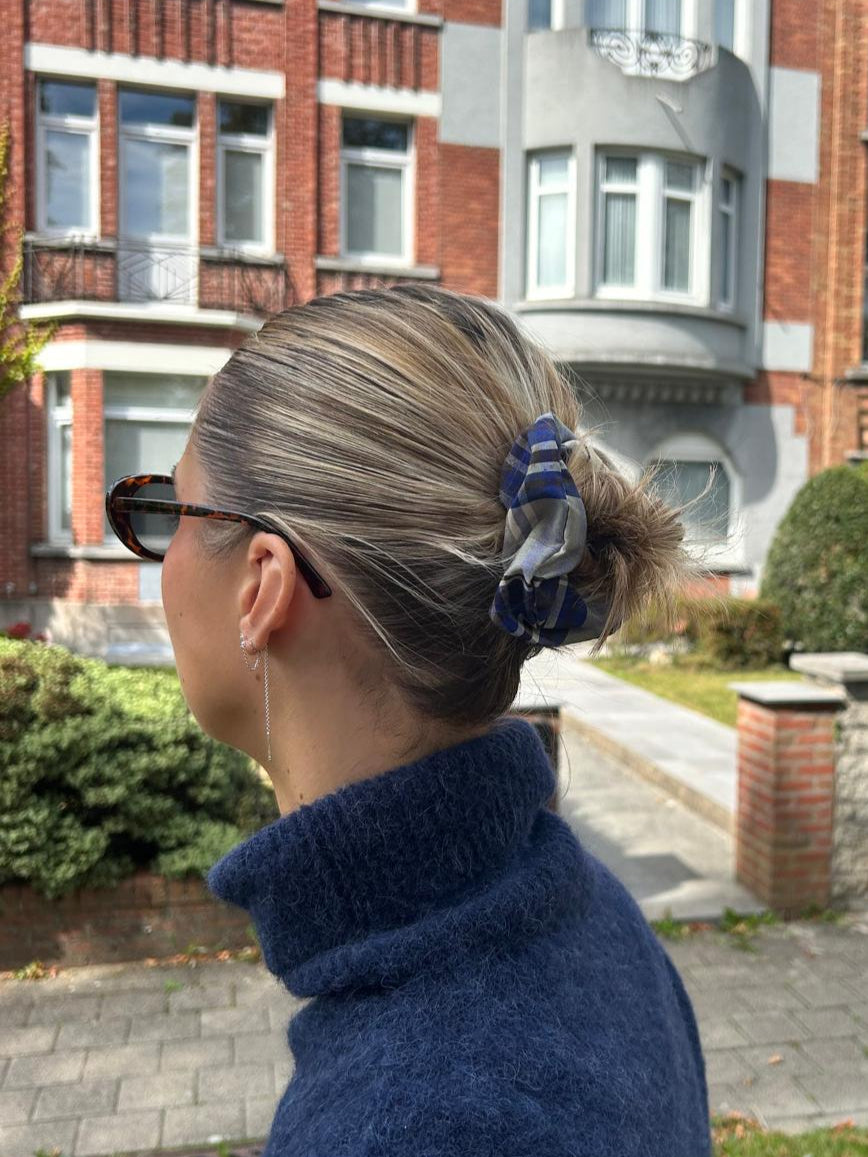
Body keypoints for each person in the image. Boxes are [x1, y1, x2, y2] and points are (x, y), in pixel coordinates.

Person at [106, 284, 711, 1156]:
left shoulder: (400, 1120)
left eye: (173, 508)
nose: (159, 559)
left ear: (263, 584)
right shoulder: (600, 917)